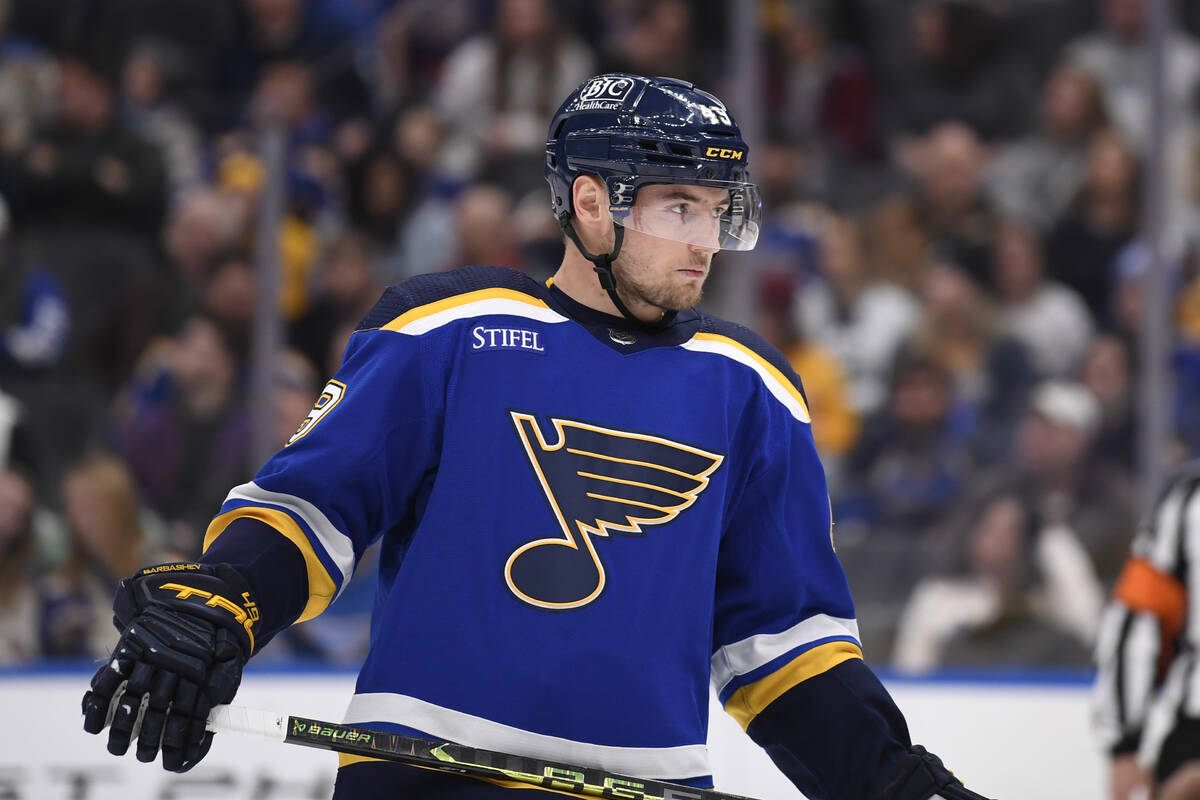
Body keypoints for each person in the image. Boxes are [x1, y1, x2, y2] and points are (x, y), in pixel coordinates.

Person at [81, 73, 991, 800]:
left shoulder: (751, 389)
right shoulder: (450, 329)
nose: (704, 239)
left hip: (649, 793)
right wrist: (225, 602)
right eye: (678, 207)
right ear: (591, 204)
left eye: (714, 210)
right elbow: (313, 509)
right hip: (427, 781)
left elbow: (784, 646)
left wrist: (888, 782)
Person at [1093, 460, 1200, 800]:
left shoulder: (1189, 500)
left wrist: (1124, 745)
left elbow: (1138, 620)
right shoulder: (1187, 501)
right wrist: (1124, 747)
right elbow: (1140, 617)